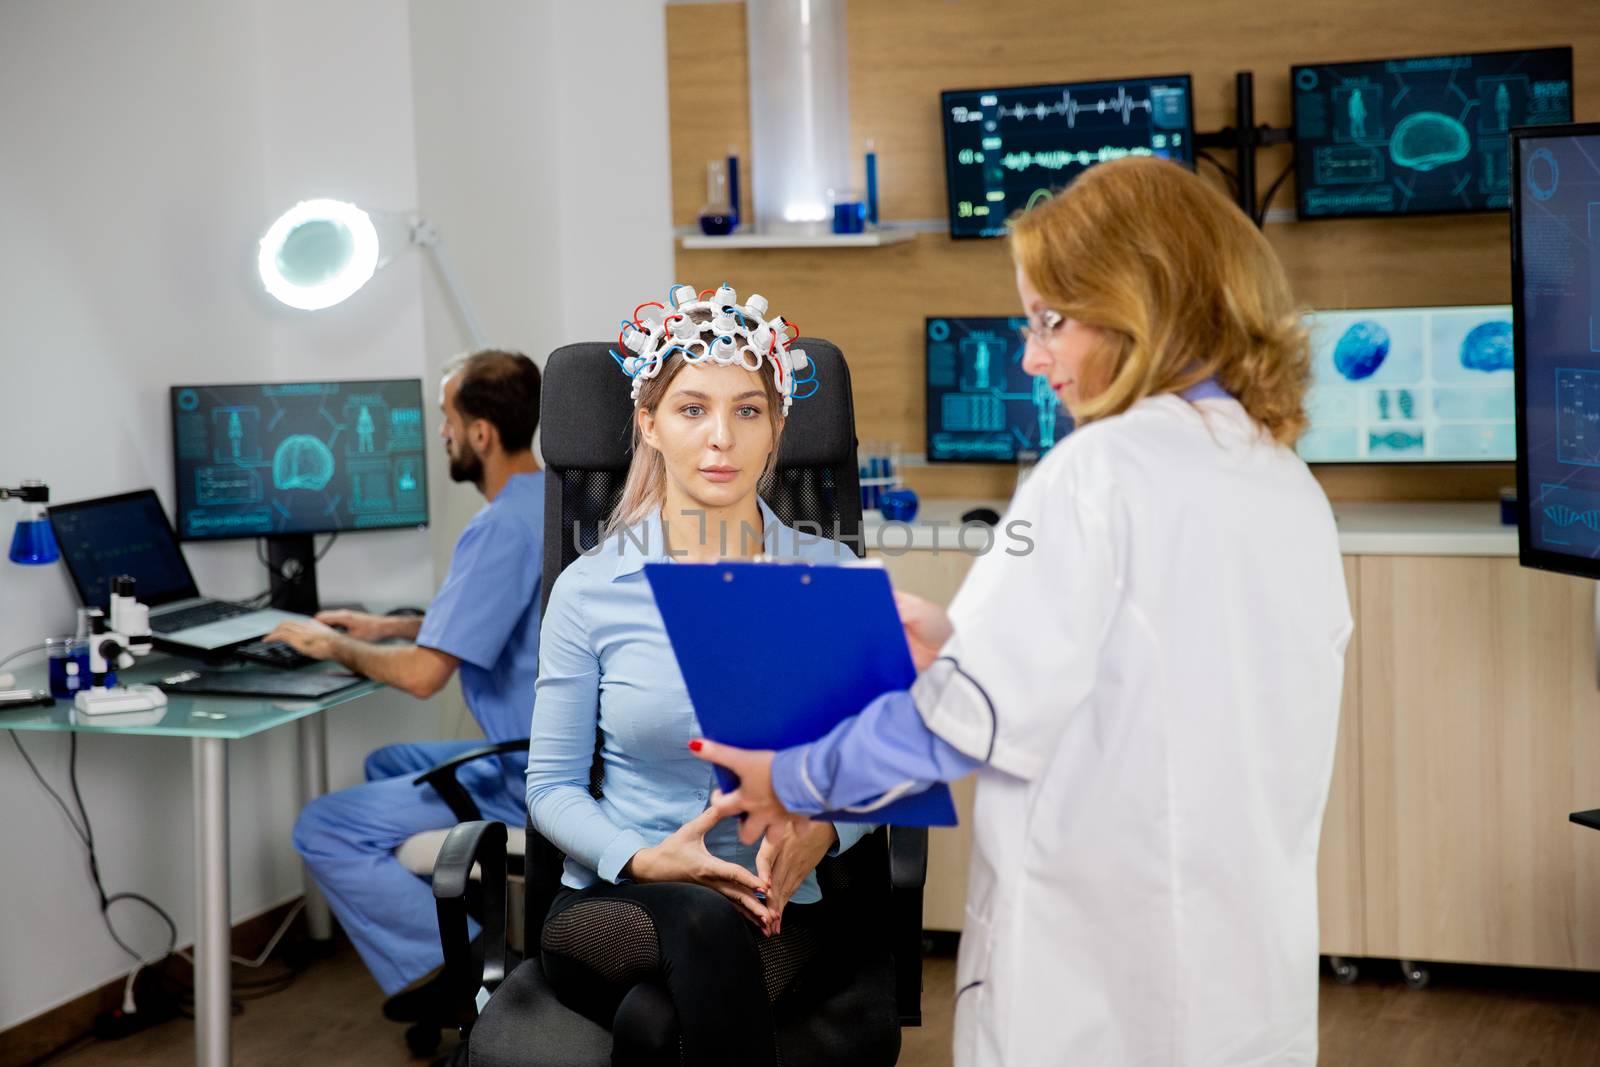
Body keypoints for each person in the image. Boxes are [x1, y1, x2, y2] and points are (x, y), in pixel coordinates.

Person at [691, 157, 1353, 1066]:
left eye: (1052, 320)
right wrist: (968, 643)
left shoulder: (1098, 471)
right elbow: (1162, 684)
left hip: (1104, 988)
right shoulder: (1283, 482)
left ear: (1140, 303)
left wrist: (791, 777)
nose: (1032, 355)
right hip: (1242, 981)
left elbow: (963, 726)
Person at [525, 285, 888, 1066]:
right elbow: (550, 786)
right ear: (649, 425)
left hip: (775, 901)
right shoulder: (591, 589)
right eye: (692, 409)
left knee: (654, 1027)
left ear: (776, 429)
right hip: (615, 898)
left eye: (748, 410)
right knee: (695, 921)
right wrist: (645, 856)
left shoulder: (834, 575)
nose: (721, 438)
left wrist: (822, 831)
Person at [269, 350, 544, 1012]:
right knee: (388, 760)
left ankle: (467, 971)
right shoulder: (551, 497)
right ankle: (460, 926)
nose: (443, 434)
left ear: (481, 433)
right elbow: (508, 618)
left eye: (447, 419)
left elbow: (424, 677)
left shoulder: (499, 525)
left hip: (529, 772)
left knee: (323, 826)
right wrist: (387, 627)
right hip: (560, 750)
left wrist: (329, 645)